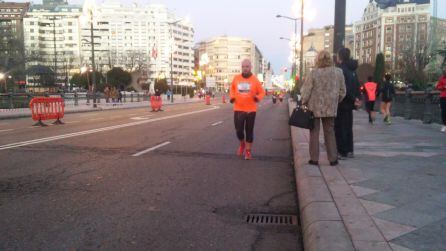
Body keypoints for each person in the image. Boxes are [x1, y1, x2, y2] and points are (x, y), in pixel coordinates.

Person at [301, 50, 346, 166]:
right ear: (330, 59)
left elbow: (306, 90)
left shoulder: (313, 73)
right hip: (330, 108)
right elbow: (343, 91)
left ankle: (314, 159)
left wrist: (303, 101)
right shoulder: (338, 72)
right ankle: (333, 159)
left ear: (318, 60)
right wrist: (336, 101)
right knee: (330, 132)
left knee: (314, 133)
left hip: (314, 108)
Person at [230, 59, 265, 160]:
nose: (245, 68)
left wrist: (257, 98)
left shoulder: (255, 80)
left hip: (251, 110)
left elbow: (262, 92)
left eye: (247, 67)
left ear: (250, 67)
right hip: (238, 108)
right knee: (238, 130)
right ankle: (242, 144)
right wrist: (232, 96)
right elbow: (232, 88)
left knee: (249, 131)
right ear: (241, 67)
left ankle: (248, 152)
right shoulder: (236, 78)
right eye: (243, 67)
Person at [335, 47, 361, 159]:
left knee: (340, 128)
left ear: (340, 57)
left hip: (342, 102)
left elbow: (344, 88)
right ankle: (350, 150)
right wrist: (356, 98)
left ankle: (342, 151)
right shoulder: (352, 69)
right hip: (350, 103)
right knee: (348, 127)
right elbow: (356, 85)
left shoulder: (340, 70)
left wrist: (351, 97)